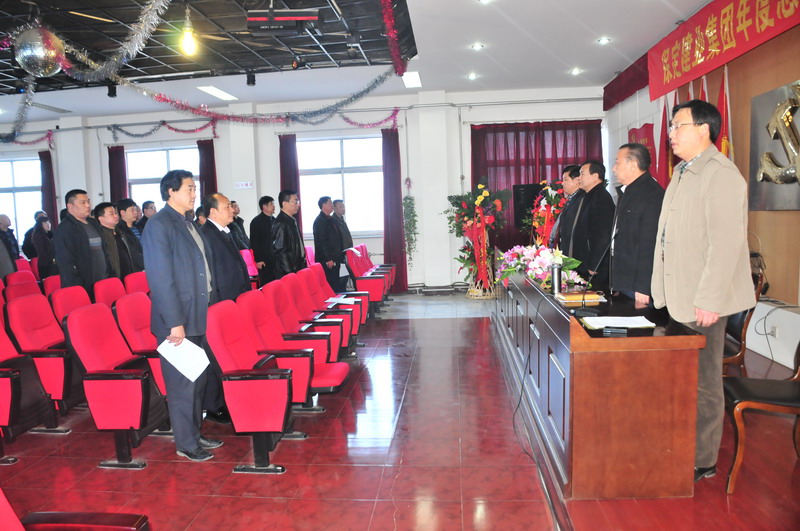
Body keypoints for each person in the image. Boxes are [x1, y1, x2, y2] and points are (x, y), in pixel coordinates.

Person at [651, 100, 755, 483]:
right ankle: (680, 442)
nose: (671, 134)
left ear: (704, 129)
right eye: (671, 127)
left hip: (701, 301)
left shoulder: (721, 175)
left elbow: (725, 245)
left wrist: (710, 300)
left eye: (678, 126)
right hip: (677, 295)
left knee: (704, 382)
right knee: (680, 378)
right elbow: (667, 238)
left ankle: (702, 458)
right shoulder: (683, 172)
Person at [142, 170, 222, 462]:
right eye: (189, 188)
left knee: (197, 381)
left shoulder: (187, 222)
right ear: (171, 192)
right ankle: (186, 443)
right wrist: (174, 322)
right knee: (182, 386)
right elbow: (160, 278)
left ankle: (194, 433)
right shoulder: (159, 225)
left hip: (197, 315)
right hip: (178, 321)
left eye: (194, 188)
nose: (193, 193)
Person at [609, 143, 664, 306]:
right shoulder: (628, 191)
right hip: (624, 280)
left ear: (633, 164)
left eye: (617, 162)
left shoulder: (651, 194)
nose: (614, 168)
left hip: (638, 286)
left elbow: (649, 244)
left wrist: (643, 287)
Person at [568, 160, 616, 291]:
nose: (579, 178)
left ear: (595, 177)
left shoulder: (601, 198)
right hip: (585, 262)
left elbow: (603, 234)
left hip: (595, 267)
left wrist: (595, 264)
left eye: (582, 174)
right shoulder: (589, 196)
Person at [54, 190, 111, 297]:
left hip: (102, 282)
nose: (88, 205)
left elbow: (105, 251)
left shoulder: (93, 223)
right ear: (70, 206)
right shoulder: (65, 229)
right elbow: (66, 263)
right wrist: (78, 289)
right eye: (83, 203)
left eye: (88, 202)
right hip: (83, 286)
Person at [313, 196, 346, 292]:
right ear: (323, 205)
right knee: (331, 285)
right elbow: (321, 242)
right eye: (330, 203)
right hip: (328, 261)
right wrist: (328, 259)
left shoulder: (331, 219)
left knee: (337, 283)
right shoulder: (319, 221)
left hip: (336, 258)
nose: (332, 205)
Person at [94, 203, 134, 279]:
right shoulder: (101, 237)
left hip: (128, 276)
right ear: (101, 218)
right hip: (113, 278)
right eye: (111, 214)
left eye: (115, 213)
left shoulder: (120, 233)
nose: (116, 216)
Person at [272, 190, 306, 279]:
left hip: (298, 266)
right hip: (289, 271)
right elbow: (280, 251)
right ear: (285, 204)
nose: (298, 204)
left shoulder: (291, 220)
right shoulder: (281, 223)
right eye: (295, 201)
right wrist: (289, 273)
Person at [549, 165, 581, 249]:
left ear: (577, 181)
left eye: (565, 180)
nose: (562, 183)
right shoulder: (571, 199)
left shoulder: (581, 200)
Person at [250, 195, 276, 286]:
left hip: (275, 258)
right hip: (264, 260)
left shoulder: (274, 220)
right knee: (267, 285)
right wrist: (258, 260)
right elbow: (254, 242)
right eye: (271, 204)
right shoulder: (256, 222)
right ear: (264, 206)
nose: (274, 206)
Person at [116, 198, 145, 273]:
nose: (135, 212)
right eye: (132, 210)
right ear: (122, 212)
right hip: (132, 270)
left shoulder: (139, 228)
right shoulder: (120, 232)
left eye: (136, 210)